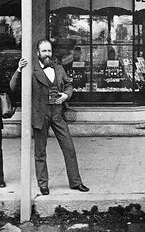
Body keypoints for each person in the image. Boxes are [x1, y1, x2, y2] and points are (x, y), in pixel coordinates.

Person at [10, 39, 89, 195]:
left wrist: (65, 95)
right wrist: (19, 70)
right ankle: (43, 184)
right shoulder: (30, 70)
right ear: (38, 53)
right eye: (44, 51)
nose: (47, 54)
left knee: (69, 148)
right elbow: (13, 87)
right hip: (40, 115)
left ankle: (76, 182)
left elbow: (69, 85)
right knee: (40, 152)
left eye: (49, 51)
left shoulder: (59, 68)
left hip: (57, 114)